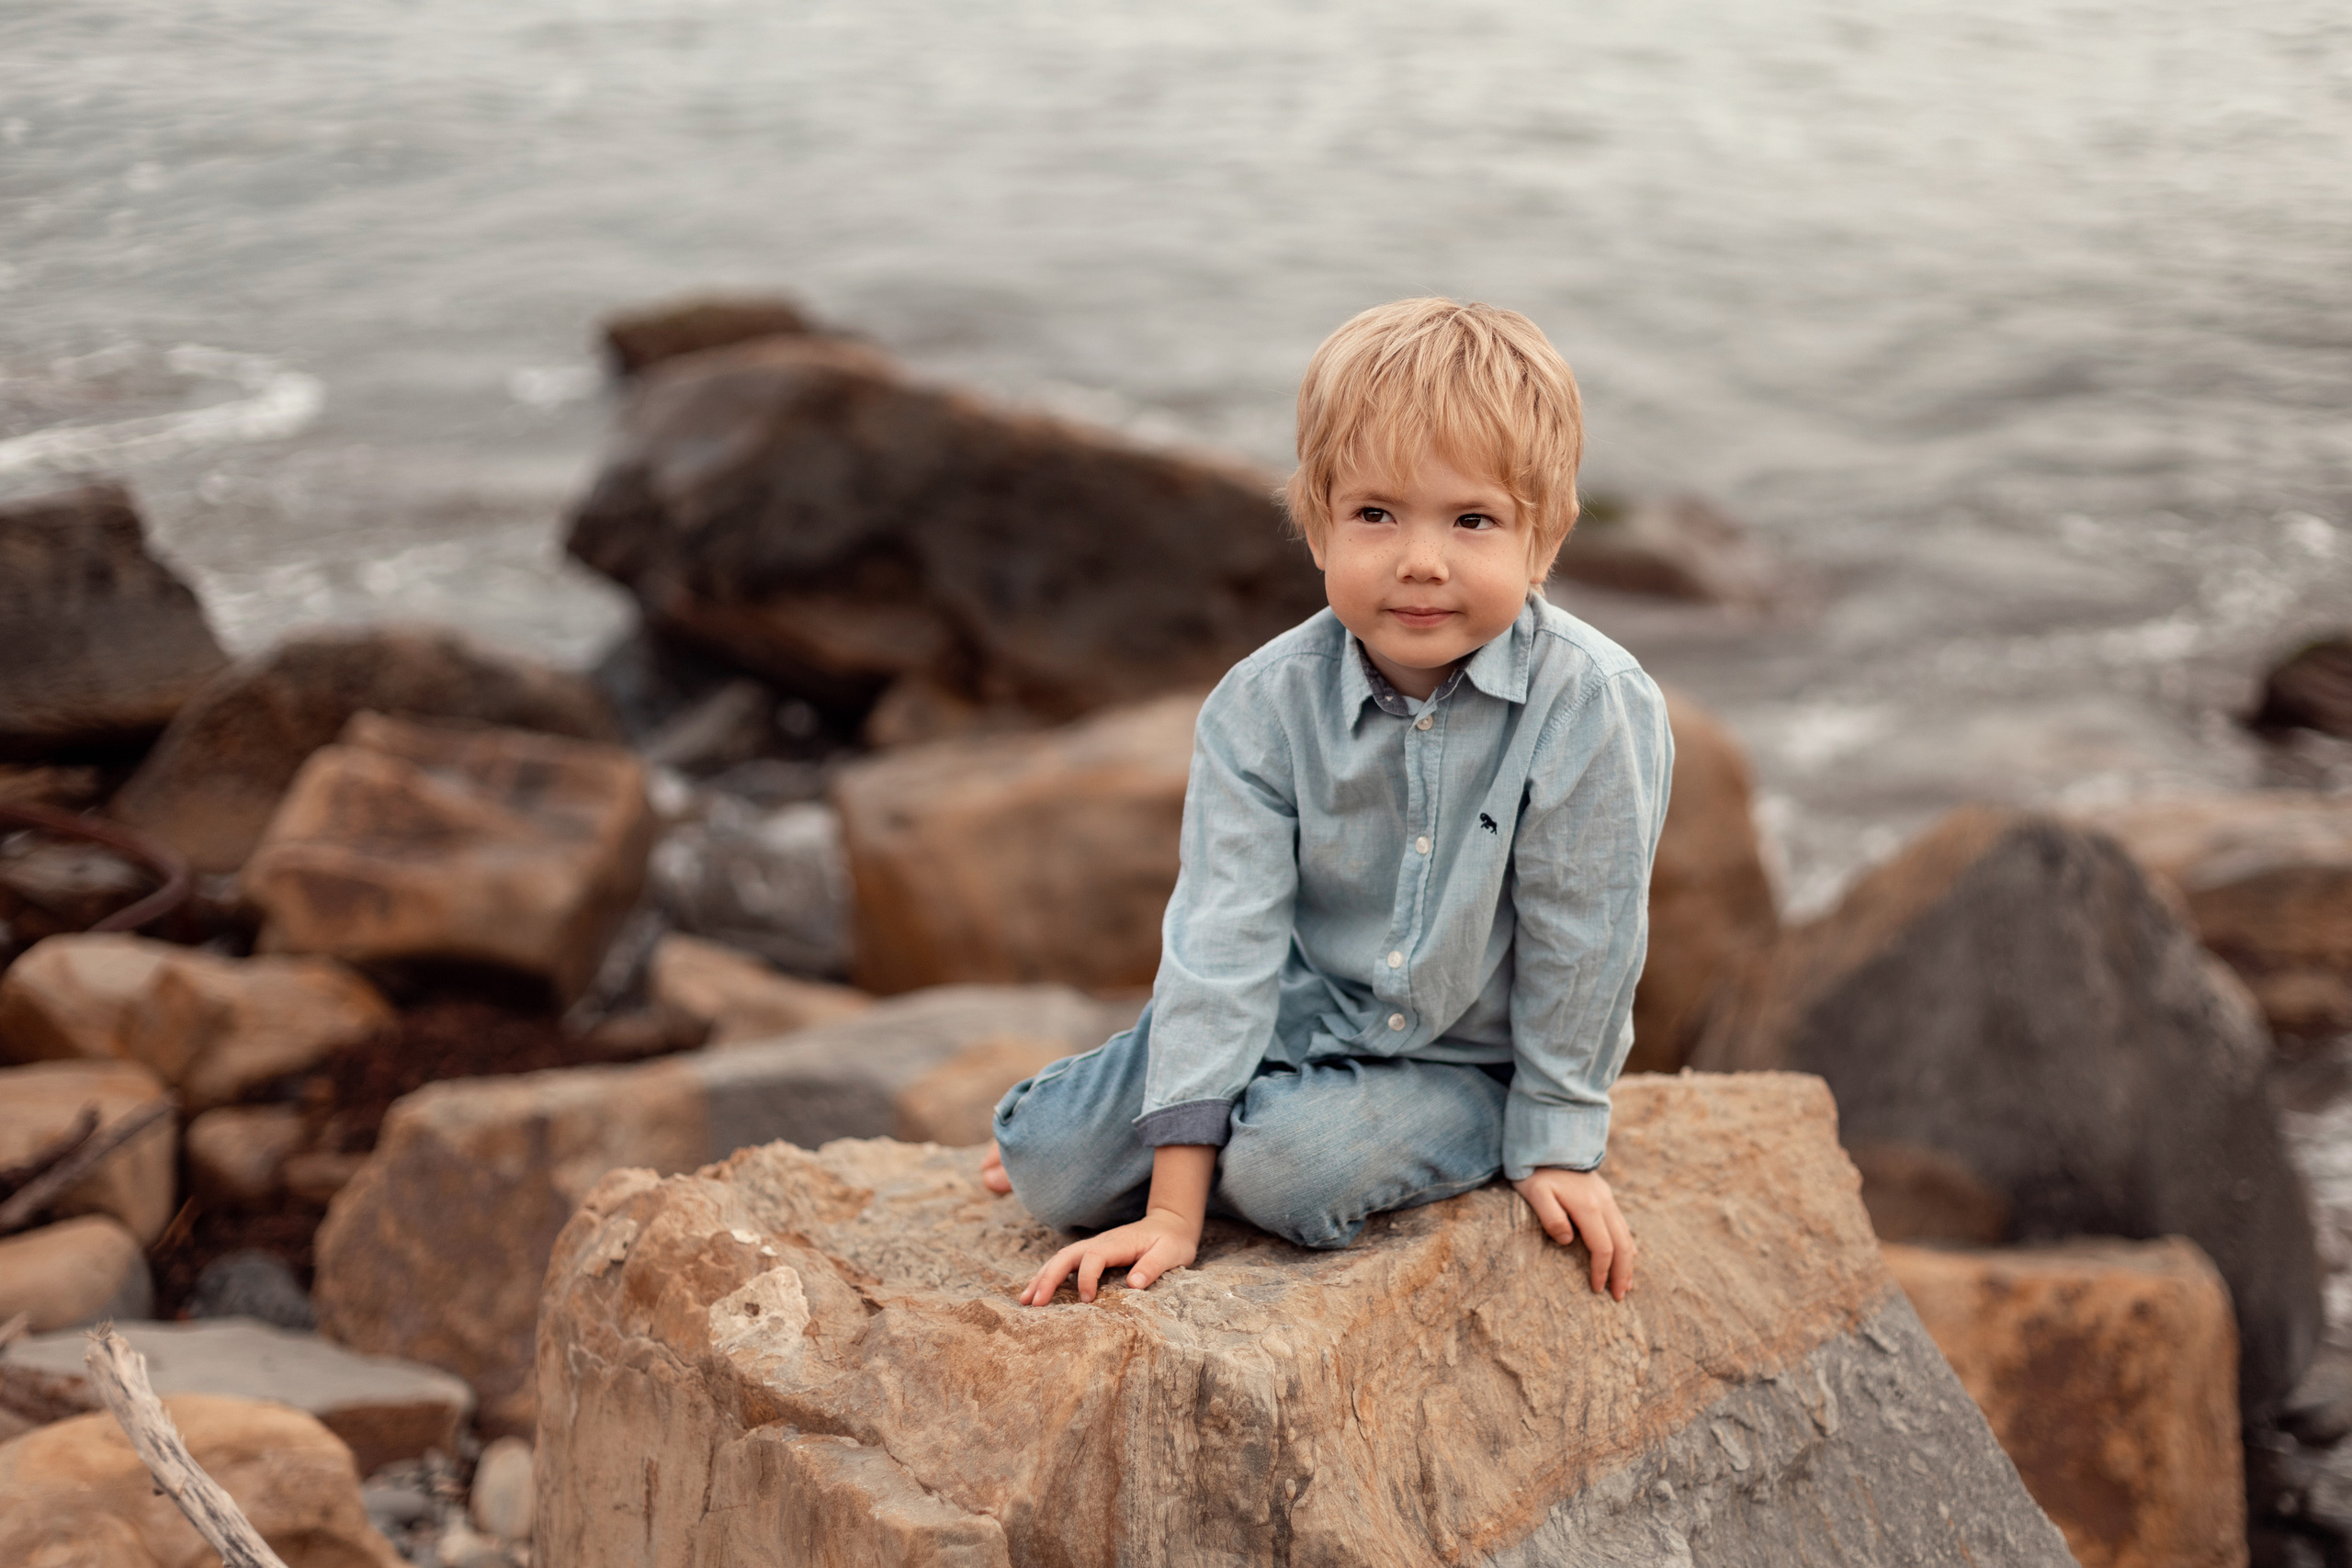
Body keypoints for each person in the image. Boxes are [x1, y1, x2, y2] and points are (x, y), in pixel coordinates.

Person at [982, 297, 1673, 1308]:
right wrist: (1169, 1213)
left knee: (1285, 1172)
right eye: (1375, 514)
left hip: (1458, 1063)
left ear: (1545, 538)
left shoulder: (1592, 702)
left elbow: (1588, 937)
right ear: (1315, 523)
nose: (1421, 561)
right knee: (1048, 1164)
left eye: (1471, 519)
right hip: (1287, 1020)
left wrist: (1556, 1141)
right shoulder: (1263, 705)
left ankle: (1302, 1127)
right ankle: (1147, 1125)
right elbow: (1223, 937)